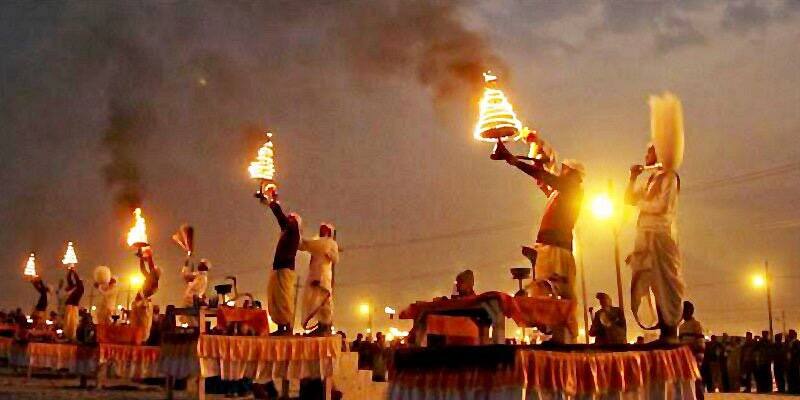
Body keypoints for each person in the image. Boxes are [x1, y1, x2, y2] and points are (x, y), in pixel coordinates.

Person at [492, 140, 584, 343]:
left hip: (557, 248)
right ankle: (559, 334)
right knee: (547, 291)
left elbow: (545, 177)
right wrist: (536, 161)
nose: (561, 172)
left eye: (564, 170)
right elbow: (543, 180)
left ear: (572, 174)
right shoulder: (560, 193)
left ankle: (566, 335)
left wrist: (515, 161)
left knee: (557, 290)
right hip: (550, 247)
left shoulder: (573, 189)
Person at [625, 144, 683, 343]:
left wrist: (640, 205)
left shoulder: (669, 177)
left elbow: (662, 206)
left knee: (665, 283)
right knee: (651, 283)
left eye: (649, 151)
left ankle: (670, 331)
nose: (645, 155)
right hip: (645, 236)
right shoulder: (651, 179)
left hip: (660, 235)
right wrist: (632, 178)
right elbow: (628, 198)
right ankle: (662, 328)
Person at [261, 188, 301, 336]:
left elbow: (281, 217)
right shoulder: (287, 231)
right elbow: (281, 219)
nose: (289, 219)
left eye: (291, 218)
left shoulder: (293, 231)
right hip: (278, 268)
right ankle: (280, 327)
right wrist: (269, 201)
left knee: (283, 298)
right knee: (275, 298)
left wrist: (274, 200)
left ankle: (286, 327)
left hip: (285, 269)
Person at [300, 223, 340, 336]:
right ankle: (321, 324)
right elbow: (304, 245)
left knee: (325, 301)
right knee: (315, 300)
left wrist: (328, 253)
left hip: (324, 276)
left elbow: (336, 259)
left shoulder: (332, 243)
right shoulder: (316, 243)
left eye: (324, 230)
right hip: (314, 275)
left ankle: (325, 325)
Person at [130, 246, 159, 344]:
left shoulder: (154, 283)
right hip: (138, 305)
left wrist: (149, 256)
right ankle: (137, 342)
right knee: (135, 326)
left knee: (143, 327)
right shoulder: (149, 278)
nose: (151, 272)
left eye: (153, 273)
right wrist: (142, 258)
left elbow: (151, 267)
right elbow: (143, 269)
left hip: (144, 307)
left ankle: (142, 343)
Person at [678, 301, 705, 397]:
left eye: (685, 311)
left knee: (697, 382)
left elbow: (701, 343)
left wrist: (699, 360)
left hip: (694, 357)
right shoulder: (681, 327)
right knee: (687, 383)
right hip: (684, 358)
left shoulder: (696, 325)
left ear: (691, 311)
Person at [181, 258, 209, 326]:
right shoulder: (198, 275)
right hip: (189, 301)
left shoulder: (203, 278)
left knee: (193, 322)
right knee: (190, 320)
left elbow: (196, 291)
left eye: (201, 264)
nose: (199, 265)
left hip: (193, 302)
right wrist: (186, 262)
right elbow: (185, 275)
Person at [63, 266, 84, 340]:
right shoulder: (73, 287)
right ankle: (67, 335)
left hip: (73, 307)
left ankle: (72, 336)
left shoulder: (80, 289)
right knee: (67, 323)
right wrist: (70, 271)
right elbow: (69, 279)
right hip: (70, 306)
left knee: (72, 323)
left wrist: (74, 272)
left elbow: (77, 280)